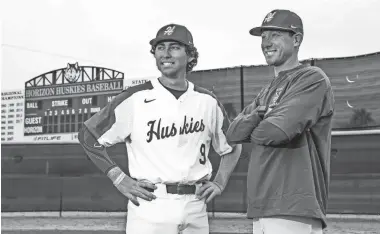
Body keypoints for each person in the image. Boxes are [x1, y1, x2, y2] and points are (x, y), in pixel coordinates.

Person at [78, 23, 242, 234]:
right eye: (160, 47)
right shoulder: (135, 98)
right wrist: (118, 177)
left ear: (190, 56)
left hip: (196, 204)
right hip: (152, 203)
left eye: (174, 47)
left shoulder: (207, 101)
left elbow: (232, 146)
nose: (165, 53)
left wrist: (220, 182)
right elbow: (88, 135)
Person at [226, 9, 335, 234]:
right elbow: (232, 134)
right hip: (261, 207)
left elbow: (273, 133)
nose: (266, 42)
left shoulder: (312, 78)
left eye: (275, 34)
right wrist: (257, 117)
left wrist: (254, 126)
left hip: (295, 208)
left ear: (296, 39)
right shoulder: (267, 90)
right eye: (263, 36)